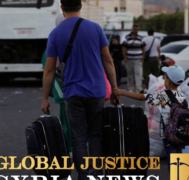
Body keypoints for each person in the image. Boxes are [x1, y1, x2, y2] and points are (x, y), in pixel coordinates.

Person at [41, 0, 120, 179]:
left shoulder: (55, 33)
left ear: (62, 7)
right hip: (96, 91)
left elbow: (49, 69)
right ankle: (96, 174)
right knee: (95, 135)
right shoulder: (95, 28)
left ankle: (83, 175)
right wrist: (115, 89)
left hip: (73, 92)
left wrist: (45, 98)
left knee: (78, 138)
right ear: (81, 6)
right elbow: (108, 61)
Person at [113, 65, 189, 169]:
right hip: (181, 135)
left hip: (169, 137)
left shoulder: (162, 95)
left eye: (165, 77)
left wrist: (121, 92)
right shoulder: (182, 97)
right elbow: (187, 117)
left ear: (168, 82)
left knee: (173, 165)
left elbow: (142, 97)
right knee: (177, 161)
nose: (164, 79)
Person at [41, 14, 72, 153]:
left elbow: (47, 70)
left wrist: (45, 98)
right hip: (81, 89)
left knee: (66, 120)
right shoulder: (78, 41)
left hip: (62, 89)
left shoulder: (52, 44)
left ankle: (69, 149)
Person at [122, 24, 146, 93]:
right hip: (129, 59)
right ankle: (130, 88)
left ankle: (138, 88)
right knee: (130, 74)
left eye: (137, 29)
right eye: (135, 29)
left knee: (138, 73)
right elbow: (124, 48)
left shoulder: (140, 38)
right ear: (132, 29)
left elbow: (143, 48)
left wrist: (143, 58)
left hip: (138, 59)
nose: (136, 31)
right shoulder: (127, 37)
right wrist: (125, 57)